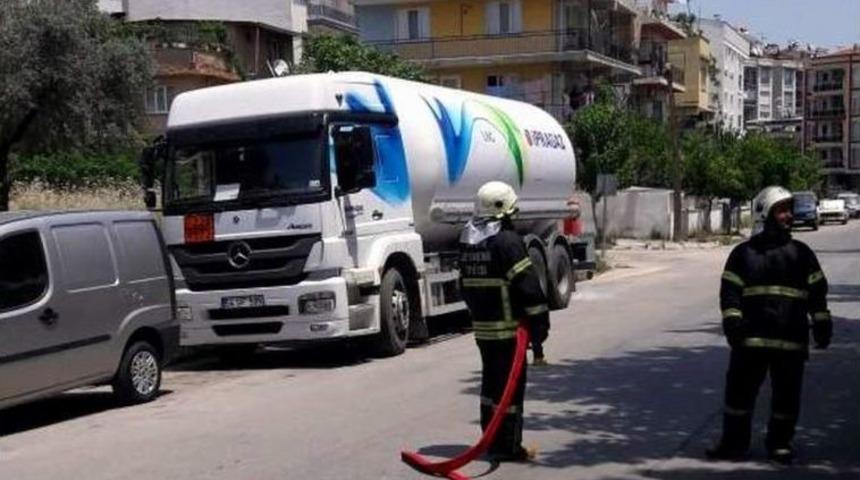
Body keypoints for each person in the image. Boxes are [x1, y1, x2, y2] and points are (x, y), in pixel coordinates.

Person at [707, 186, 832, 464]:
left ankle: (780, 444)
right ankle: (734, 444)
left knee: (786, 399)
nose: (788, 215)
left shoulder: (802, 254)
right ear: (765, 212)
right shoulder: (743, 254)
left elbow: (817, 293)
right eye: (782, 209)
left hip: (790, 342)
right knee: (738, 398)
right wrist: (732, 322)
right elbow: (730, 292)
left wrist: (822, 322)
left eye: (790, 209)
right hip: (750, 342)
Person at [458, 181, 550, 462]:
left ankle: (491, 437)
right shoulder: (507, 242)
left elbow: (464, 285)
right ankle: (508, 446)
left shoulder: (469, 241)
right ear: (503, 210)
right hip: (509, 332)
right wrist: (539, 328)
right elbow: (529, 289)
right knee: (510, 390)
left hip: (483, 331)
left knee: (490, 386)